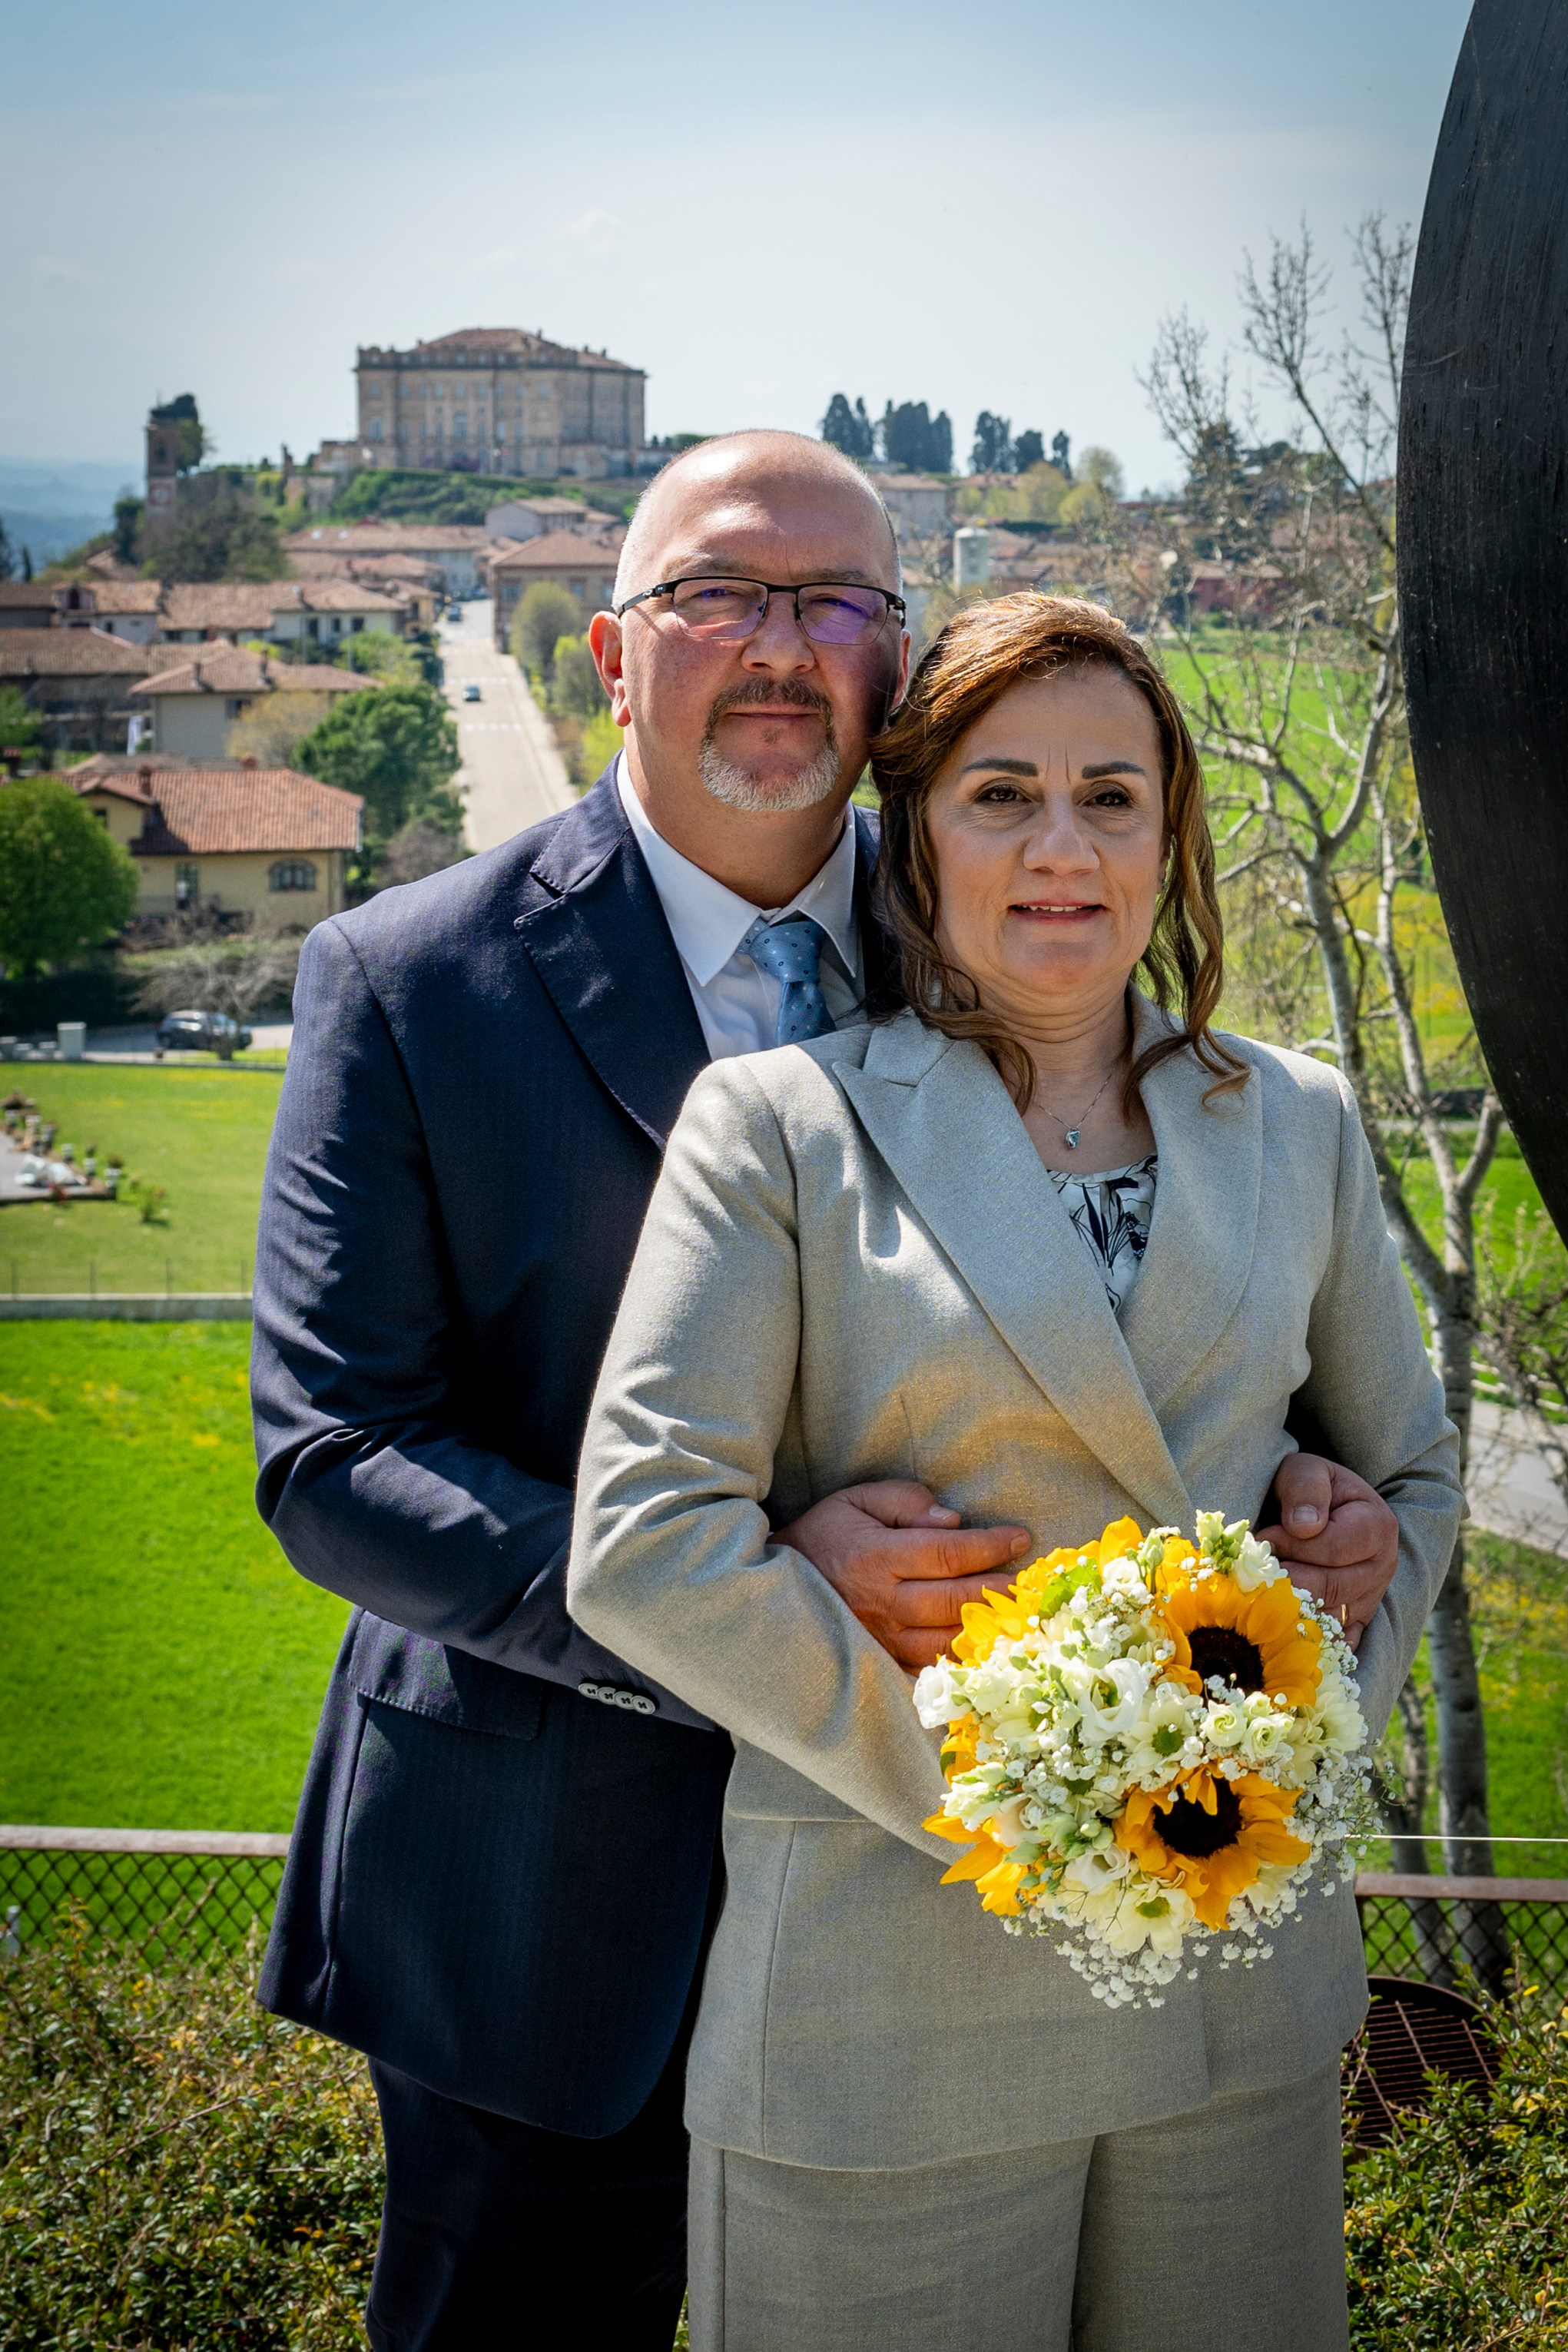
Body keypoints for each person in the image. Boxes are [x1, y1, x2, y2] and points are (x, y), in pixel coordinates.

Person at [253, 440, 1401, 2350]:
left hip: (950, 1921)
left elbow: (1180, 1320)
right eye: (720, 597)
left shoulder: (1010, 918)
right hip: (549, 1894)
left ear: (896, 676)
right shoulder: (404, 979)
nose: (779, 648)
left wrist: (1308, 1506)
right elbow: (332, 1452)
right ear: (615, 654)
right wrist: (746, 1605)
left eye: (836, 605)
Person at [569, 592, 1463, 2352]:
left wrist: (1333, 1607)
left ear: (1169, 832)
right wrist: (1043, 1813)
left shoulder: (1297, 1118)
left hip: (1239, 2000)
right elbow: (645, 1539)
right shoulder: (780, 1130)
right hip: (888, 2004)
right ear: (917, 830)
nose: (1062, 848)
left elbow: (1414, 1478)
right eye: (1002, 794)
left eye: (1112, 796)